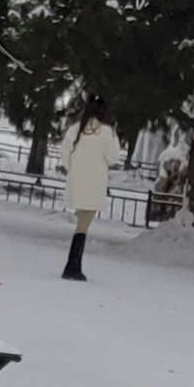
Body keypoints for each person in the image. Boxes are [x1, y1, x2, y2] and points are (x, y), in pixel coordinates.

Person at [58, 102, 122, 282]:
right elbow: (113, 158)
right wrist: (115, 135)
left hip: (76, 182)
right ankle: (73, 265)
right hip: (95, 184)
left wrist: (73, 170)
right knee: (84, 225)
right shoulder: (105, 132)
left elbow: (65, 157)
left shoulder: (75, 130)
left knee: (82, 223)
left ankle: (74, 265)